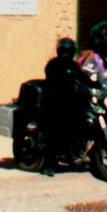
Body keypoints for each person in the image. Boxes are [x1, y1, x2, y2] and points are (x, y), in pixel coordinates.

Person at [42, 37, 83, 176]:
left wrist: (95, 84)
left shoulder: (74, 65)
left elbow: (83, 77)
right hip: (54, 103)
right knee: (54, 133)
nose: (66, 53)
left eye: (68, 51)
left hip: (71, 103)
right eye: (64, 50)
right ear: (60, 51)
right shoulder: (53, 64)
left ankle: (73, 154)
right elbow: (55, 80)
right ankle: (48, 165)